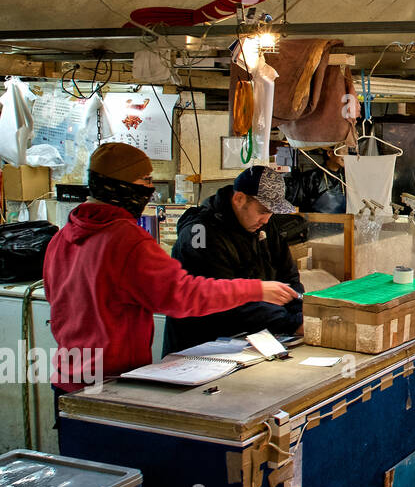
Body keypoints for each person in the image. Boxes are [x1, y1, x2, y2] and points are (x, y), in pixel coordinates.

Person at [43, 143, 297, 397]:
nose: (149, 188)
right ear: (119, 185)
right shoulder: (129, 240)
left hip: (68, 380)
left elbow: (57, 300)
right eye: (144, 179)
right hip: (113, 384)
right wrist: (254, 290)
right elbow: (182, 294)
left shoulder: (62, 237)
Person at [163, 166, 305, 355]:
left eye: (272, 212)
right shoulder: (200, 233)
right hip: (199, 351)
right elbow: (224, 299)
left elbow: (289, 278)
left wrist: (302, 315)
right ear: (239, 198)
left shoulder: (265, 227)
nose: (266, 219)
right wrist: (289, 323)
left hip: (250, 344)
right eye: (262, 210)